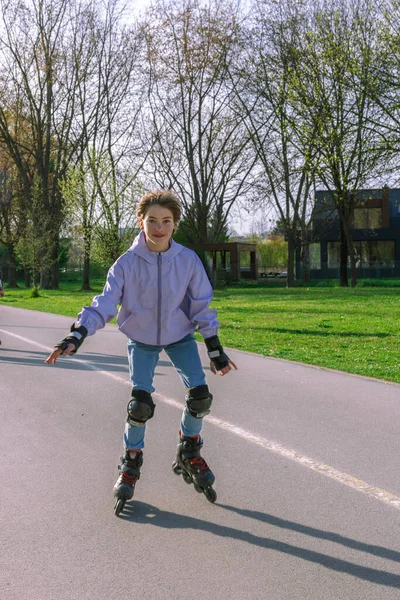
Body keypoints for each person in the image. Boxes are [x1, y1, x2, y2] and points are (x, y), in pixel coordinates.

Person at [45, 190, 237, 513]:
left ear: (175, 224)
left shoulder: (187, 260)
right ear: (141, 222)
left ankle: (189, 450)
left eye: (166, 221)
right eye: (152, 221)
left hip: (180, 336)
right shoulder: (126, 264)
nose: (158, 228)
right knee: (140, 405)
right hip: (142, 338)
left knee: (201, 397)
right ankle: (130, 464)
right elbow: (104, 304)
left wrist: (213, 346)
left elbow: (202, 304)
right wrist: (77, 334)